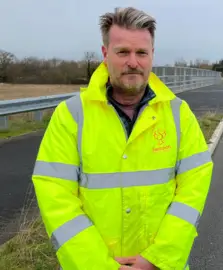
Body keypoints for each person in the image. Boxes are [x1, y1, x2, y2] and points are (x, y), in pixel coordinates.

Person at [31, 6, 213, 270]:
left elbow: (192, 193)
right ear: (105, 54)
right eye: (123, 52)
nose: (133, 62)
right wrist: (100, 265)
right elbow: (55, 197)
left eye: (141, 52)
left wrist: (157, 259)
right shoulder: (71, 115)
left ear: (152, 55)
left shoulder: (179, 114)